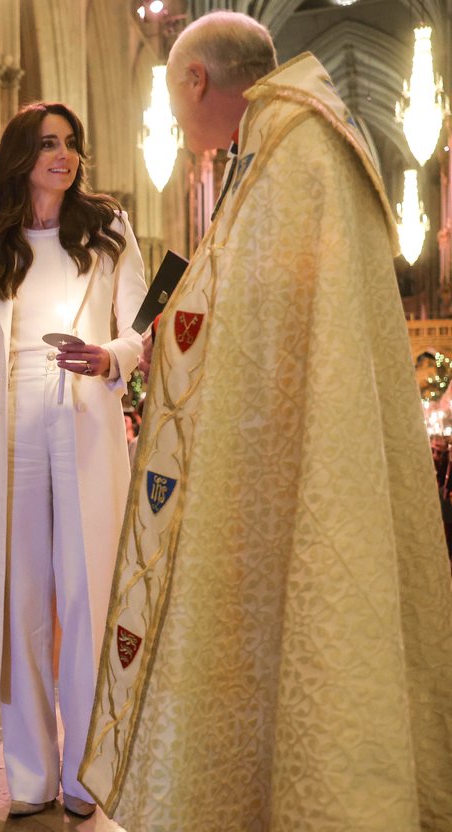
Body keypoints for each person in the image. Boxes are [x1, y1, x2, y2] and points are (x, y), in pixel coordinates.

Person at [80, 12, 452, 831]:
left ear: (196, 81)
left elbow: (254, 322)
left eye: (180, 113)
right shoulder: (289, 144)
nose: (186, 136)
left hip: (284, 465)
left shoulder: (291, 153)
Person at [0, 101, 146, 819]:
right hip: (17, 433)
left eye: (71, 145)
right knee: (20, 600)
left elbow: (140, 329)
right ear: (22, 155)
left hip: (87, 422)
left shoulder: (108, 227)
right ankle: (30, 775)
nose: (64, 155)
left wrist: (107, 358)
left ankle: (87, 776)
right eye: (49, 144)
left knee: (86, 601)